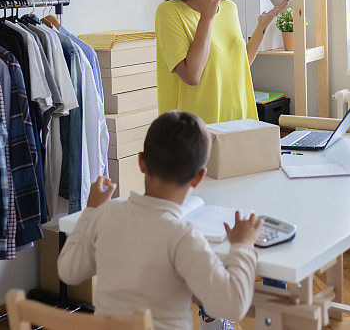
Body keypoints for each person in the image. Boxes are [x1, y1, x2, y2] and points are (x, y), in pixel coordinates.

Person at [57, 110, 263, 330]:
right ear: (199, 178)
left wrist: (92, 211)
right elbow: (232, 306)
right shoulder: (183, 236)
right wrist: (242, 247)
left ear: (141, 162)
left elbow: (68, 270)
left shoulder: (107, 215)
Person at [155, 0, 289, 124]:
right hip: (195, 130)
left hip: (238, 119)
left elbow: (240, 64)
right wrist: (207, 17)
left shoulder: (229, 9)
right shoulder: (169, 12)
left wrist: (262, 27)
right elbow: (192, 76)